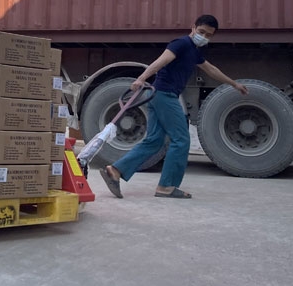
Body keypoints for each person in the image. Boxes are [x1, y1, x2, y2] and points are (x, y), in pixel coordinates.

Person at [99, 14, 248, 200]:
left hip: (157, 95)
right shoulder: (181, 43)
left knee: (154, 141)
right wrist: (141, 78)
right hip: (164, 95)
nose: (204, 36)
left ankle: (115, 170)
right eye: (201, 32)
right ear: (193, 27)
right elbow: (161, 61)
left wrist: (234, 84)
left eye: (209, 35)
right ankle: (167, 186)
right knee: (181, 140)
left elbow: (211, 70)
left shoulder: (194, 51)